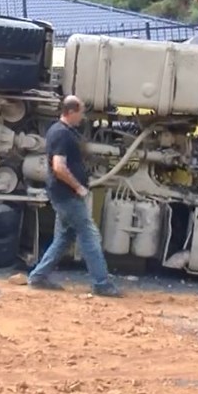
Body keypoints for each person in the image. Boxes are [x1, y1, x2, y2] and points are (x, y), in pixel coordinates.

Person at [26, 95, 122, 297]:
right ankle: (101, 283)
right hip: (67, 194)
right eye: (80, 112)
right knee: (90, 236)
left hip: (61, 193)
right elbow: (59, 167)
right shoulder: (63, 134)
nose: (82, 116)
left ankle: (38, 276)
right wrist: (78, 187)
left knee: (64, 237)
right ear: (71, 112)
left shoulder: (59, 131)